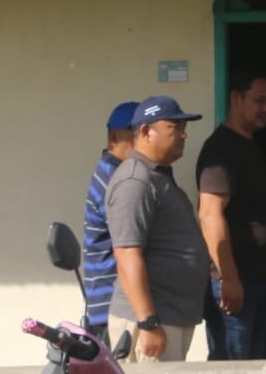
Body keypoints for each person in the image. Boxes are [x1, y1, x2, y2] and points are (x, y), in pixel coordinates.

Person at [105, 95, 207, 363]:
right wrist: (148, 322)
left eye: (184, 128)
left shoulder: (156, 177)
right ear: (145, 131)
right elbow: (126, 254)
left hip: (171, 317)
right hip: (152, 322)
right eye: (175, 128)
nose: (184, 135)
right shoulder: (134, 181)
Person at [195, 69, 266, 360]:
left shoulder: (249, 146)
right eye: (259, 100)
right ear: (236, 98)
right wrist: (228, 278)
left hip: (256, 280)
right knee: (232, 367)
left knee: (253, 365)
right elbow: (209, 215)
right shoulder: (222, 149)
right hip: (235, 285)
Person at [82, 100, 139, 339]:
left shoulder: (120, 173)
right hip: (111, 307)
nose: (143, 142)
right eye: (135, 135)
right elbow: (130, 240)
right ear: (114, 139)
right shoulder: (114, 178)